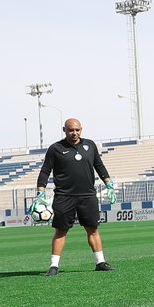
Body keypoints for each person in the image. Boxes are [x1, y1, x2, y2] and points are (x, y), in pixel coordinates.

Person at [33, 118, 117, 276]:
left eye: (77, 130)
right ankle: (53, 266)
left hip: (87, 195)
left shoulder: (90, 145)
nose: (74, 133)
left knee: (92, 229)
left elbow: (99, 165)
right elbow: (45, 171)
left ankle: (100, 262)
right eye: (71, 130)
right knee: (61, 230)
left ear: (81, 130)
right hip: (65, 196)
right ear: (64, 130)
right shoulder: (55, 149)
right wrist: (40, 192)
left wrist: (109, 184)